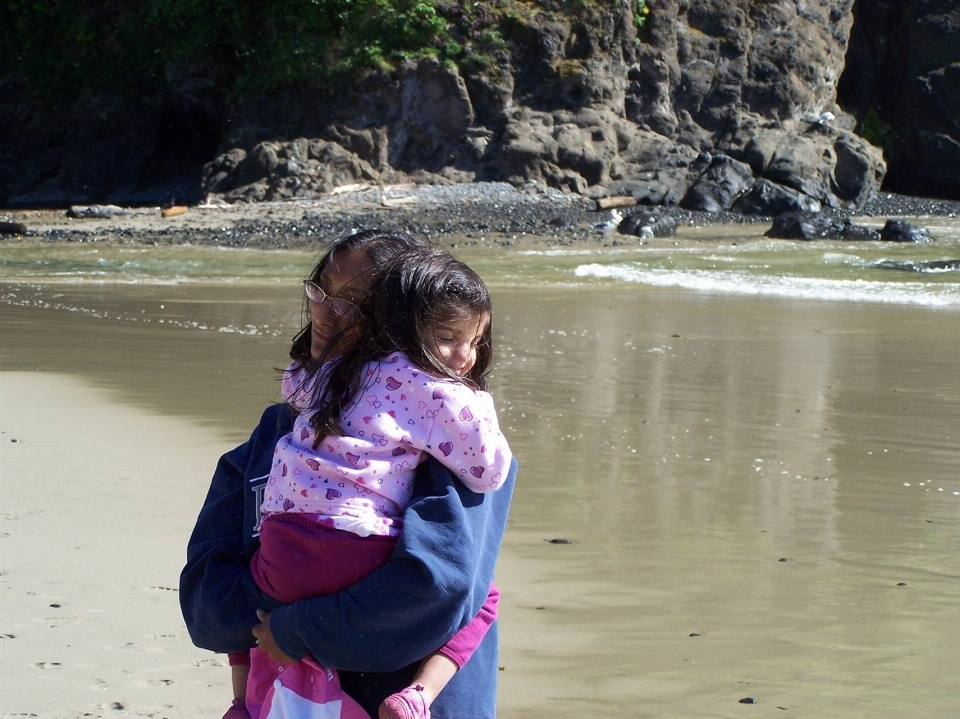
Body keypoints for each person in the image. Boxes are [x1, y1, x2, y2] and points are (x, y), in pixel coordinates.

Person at [180, 229, 517, 719]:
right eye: (321, 291)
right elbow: (204, 606)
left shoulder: (448, 447)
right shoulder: (272, 437)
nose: (324, 313)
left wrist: (293, 626)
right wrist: (280, 616)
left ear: (402, 324)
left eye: (353, 303)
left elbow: (436, 590)